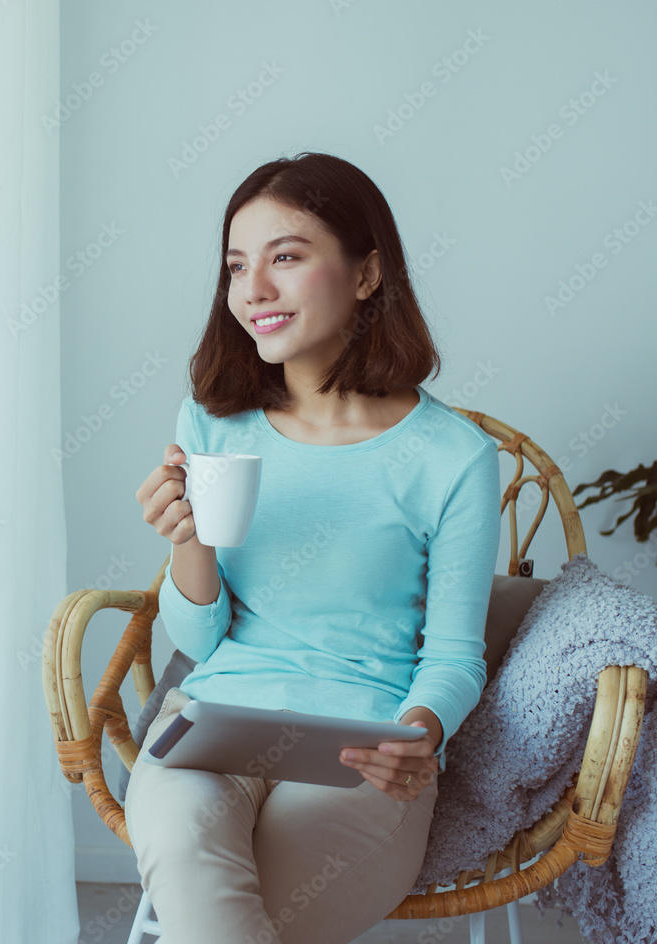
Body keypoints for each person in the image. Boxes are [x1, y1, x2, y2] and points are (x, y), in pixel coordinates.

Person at [126, 152, 501, 944]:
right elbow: (197, 641)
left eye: (285, 258)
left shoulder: (450, 456)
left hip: (363, 748)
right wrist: (186, 542)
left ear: (367, 275)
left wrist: (421, 735)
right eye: (236, 267)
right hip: (212, 722)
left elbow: (457, 655)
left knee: (230, 913)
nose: (252, 291)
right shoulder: (212, 421)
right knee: (187, 836)